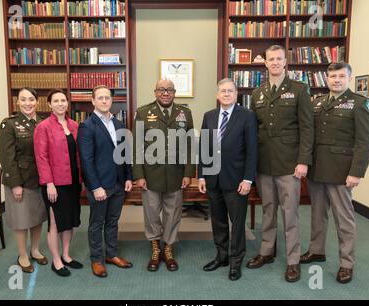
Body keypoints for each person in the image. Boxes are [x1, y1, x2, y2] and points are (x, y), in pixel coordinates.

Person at [300, 62, 369, 284]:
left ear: (349, 78)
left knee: (344, 219)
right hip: (318, 169)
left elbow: (365, 142)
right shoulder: (318, 102)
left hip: (342, 172)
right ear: (327, 78)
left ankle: (346, 263)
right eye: (332, 76)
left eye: (341, 76)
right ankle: (316, 250)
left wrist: (356, 173)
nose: (336, 80)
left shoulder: (360, 104)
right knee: (317, 215)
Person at [246, 45, 314, 282]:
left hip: (289, 164)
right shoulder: (258, 93)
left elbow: (307, 128)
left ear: (285, 62)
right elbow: (254, 130)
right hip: (264, 164)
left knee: (290, 213)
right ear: (265, 63)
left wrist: (303, 161)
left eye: (278, 59)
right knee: (268, 210)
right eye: (270, 59)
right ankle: (266, 251)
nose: (274, 62)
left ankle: (293, 260)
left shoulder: (299, 89)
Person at [132, 79, 195, 272]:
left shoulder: (185, 113)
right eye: (161, 89)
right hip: (150, 175)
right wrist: (139, 175)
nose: (165, 93)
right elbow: (136, 146)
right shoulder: (143, 112)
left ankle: (168, 248)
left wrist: (188, 173)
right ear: (155, 92)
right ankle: (154, 248)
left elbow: (190, 145)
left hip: (176, 175)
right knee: (151, 213)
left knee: (173, 213)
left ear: (175, 92)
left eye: (169, 90)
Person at [198, 78, 257, 281]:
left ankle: (235, 261)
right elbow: (204, 148)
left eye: (230, 91)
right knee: (218, 221)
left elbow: (252, 151)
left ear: (236, 93)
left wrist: (248, 179)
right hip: (213, 180)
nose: (226, 94)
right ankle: (221, 256)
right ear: (217, 94)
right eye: (222, 91)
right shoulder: (209, 116)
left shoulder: (247, 116)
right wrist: (201, 175)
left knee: (237, 223)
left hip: (237, 181)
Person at [77, 85, 133, 278]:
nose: (103, 101)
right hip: (100, 186)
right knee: (96, 223)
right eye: (99, 98)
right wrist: (95, 187)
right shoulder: (87, 126)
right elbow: (86, 160)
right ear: (93, 101)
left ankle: (112, 254)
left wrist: (128, 177)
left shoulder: (118, 124)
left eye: (107, 98)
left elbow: (124, 154)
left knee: (113, 222)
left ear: (111, 100)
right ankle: (97, 260)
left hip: (118, 184)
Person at [0, 87, 48, 273]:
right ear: (17, 102)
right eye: (23, 99)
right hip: (20, 180)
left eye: (31, 99)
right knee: (21, 220)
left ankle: (35, 250)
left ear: (37, 101)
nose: (28, 103)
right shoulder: (9, 124)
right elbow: (6, 157)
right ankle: (22, 254)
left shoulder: (43, 122)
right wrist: (15, 184)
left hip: (40, 179)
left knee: (37, 217)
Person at [34, 89, 83, 277]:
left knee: (69, 221)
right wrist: (49, 183)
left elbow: (78, 154)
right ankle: (56, 261)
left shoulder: (74, 125)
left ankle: (66, 255)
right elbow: (41, 157)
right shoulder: (43, 127)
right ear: (49, 105)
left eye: (63, 100)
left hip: (73, 181)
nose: (61, 103)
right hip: (55, 184)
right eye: (56, 101)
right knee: (55, 222)